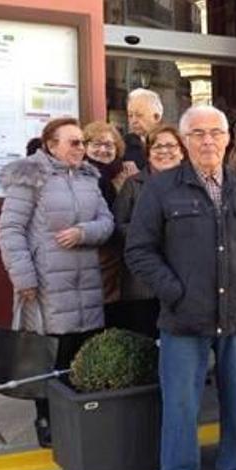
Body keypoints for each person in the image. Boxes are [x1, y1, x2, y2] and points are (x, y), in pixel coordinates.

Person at [125, 105, 236, 470]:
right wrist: (174, 292)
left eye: (215, 132)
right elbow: (139, 250)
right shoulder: (161, 188)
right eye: (198, 133)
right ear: (184, 141)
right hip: (184, 317)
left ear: (227, 139)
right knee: (180, 405)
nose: (208, 140)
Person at [0, 117, 114, 448]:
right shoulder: (30, 177)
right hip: (46, 283)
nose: (81, 148)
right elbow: (10, 230)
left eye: (82, 142)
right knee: (48, 355)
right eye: (74, 142)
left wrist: (84, 232)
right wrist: (24, 278)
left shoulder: (89, 177)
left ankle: (76, 419)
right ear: (51, 145)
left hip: (86, 282)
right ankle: (46, 420)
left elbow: (107, 222)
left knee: (80, 353)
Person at [113, 125, 186, 338]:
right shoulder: (133, 184)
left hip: (184, 281)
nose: (164, 151)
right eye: (157, 146)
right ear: (148, 153)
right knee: (145, 341)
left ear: (182, 152)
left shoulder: (192, 184)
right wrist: (152, 235)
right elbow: (118, 225)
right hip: (142, 284)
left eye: (171, 146)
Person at [82, 121, 137, 330]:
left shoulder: (122, 174)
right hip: (95, 256)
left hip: (117, 258)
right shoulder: (85, 175)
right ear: (85, 146)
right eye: (96, 144)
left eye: (109, 145)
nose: (103, 150)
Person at [124, 88, 163, 170]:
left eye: (139, 115)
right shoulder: (123, 145)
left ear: (156, 117)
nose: (133, 121)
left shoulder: (171, 144)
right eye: (130, 115)